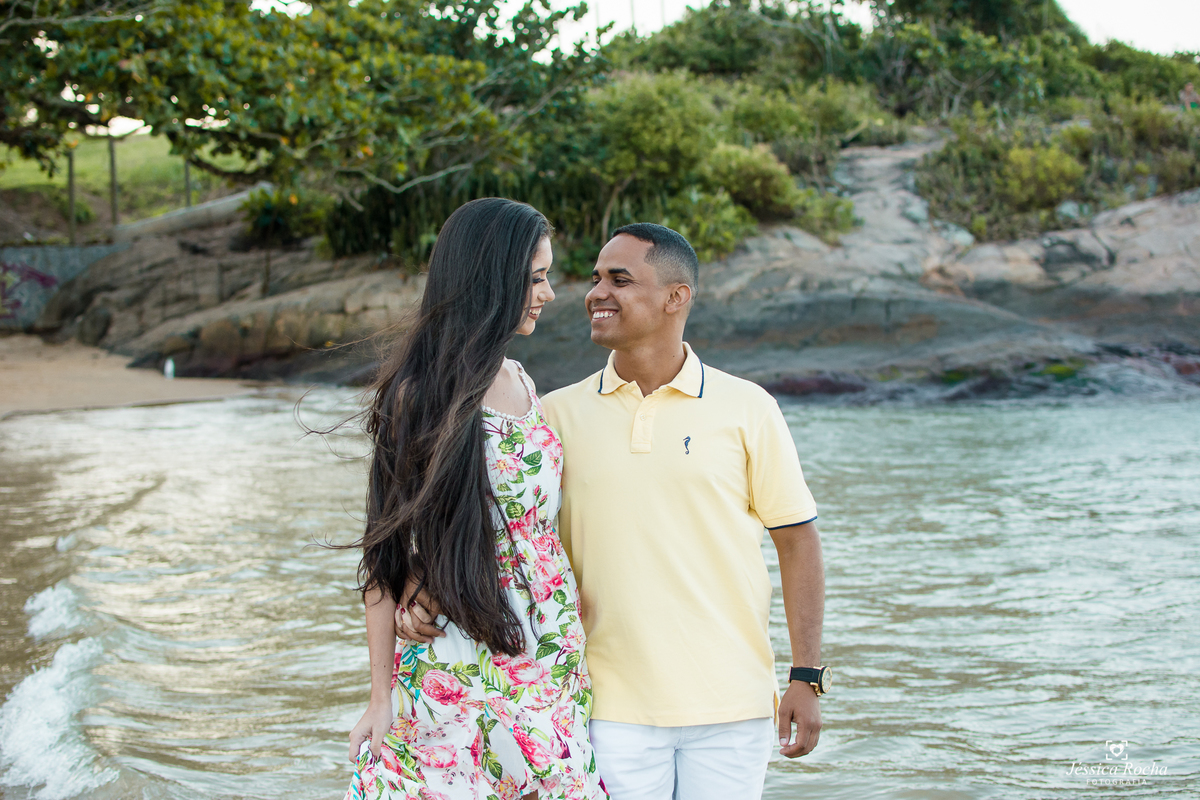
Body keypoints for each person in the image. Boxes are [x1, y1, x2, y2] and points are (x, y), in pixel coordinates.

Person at [401, 223, 828, 800]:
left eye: (619, 280)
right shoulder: (553, 415)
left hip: (734, 705)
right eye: (595, 277)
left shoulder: (748, 408)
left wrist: (806, 676)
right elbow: (497, 520)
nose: (595, 292)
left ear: (676, 297)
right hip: (604, 703)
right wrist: (424, 578)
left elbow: (797, 541)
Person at [345, 197, 607, 800]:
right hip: (460, 641)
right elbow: (382, 554)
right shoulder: (419, 393)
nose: (547, 292)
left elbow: (527, 521)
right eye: (536, 277)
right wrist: (379, 698)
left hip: (548, 638)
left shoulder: (521, 378)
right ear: (492, 278)